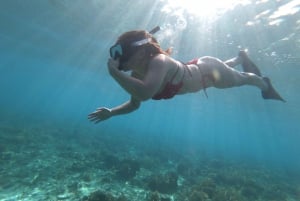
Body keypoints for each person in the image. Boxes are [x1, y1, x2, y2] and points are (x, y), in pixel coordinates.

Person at [88, 27, 285, 123]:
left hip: (208, 73)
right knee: (228, 71)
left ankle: (264, 84)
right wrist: (111, 112)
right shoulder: (136, 74)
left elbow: (145, 93)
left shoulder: (159, 61)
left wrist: (114, 72)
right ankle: (239, 58)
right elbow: (134, 103)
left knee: (242, 79)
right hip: (198, 69)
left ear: (141, 50)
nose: (119, 58)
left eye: (122, 52)